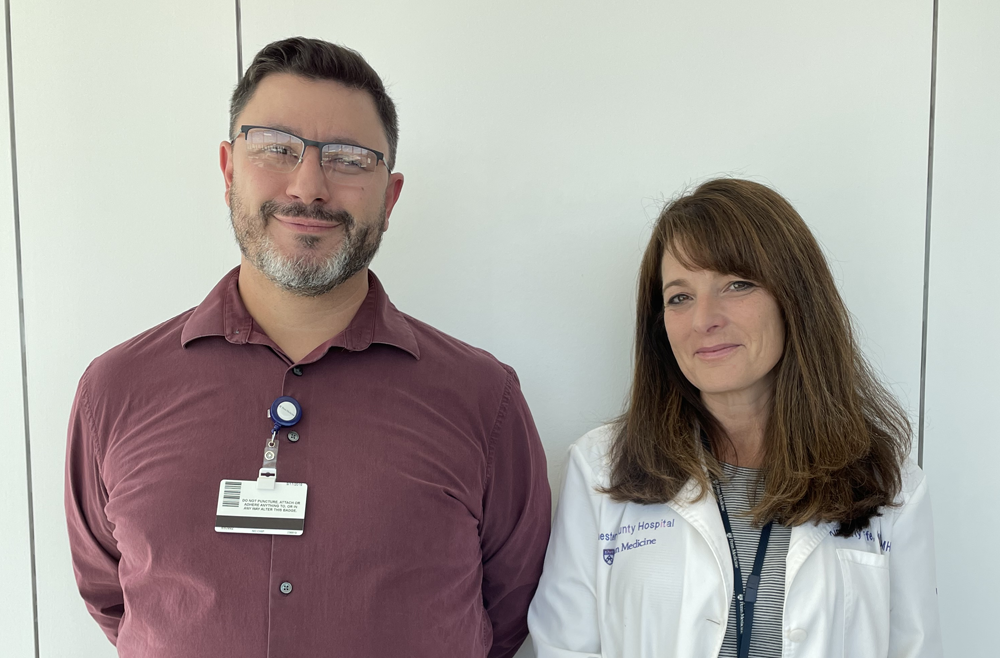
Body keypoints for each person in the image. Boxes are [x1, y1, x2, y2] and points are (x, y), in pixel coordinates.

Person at [65, 37, 550, 658]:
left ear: (390, 195)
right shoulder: (116, 389)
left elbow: (510, 608)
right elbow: (110, 594)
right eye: (277, 148)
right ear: (228, 169)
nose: (309, 185)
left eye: (349, 159)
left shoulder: (485, 399)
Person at [527, 178, 942, 658]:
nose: (704, 318)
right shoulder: (602, 468)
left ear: (796, 299)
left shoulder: (887, 483)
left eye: (737, 284)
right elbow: (565, 647)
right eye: (680, 296)